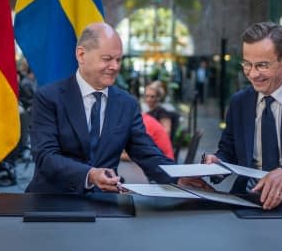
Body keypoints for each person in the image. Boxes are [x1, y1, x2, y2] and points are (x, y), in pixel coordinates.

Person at [26, 22, 206, 194]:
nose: (115, 67)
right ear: (81, 55)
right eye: (107, 59)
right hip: (53, 201)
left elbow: (147, 153)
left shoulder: (126, 104)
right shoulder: (48, 98)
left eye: (118, 60)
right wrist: (89, 175)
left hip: (106, 204)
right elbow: (45, 156)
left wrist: (178, 177)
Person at [205, 22, 282, 210]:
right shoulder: (240, 102)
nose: (253, 74)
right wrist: (216, 162)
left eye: (262, 65)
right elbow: (229, 151)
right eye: (247, 64)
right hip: (248, 197)